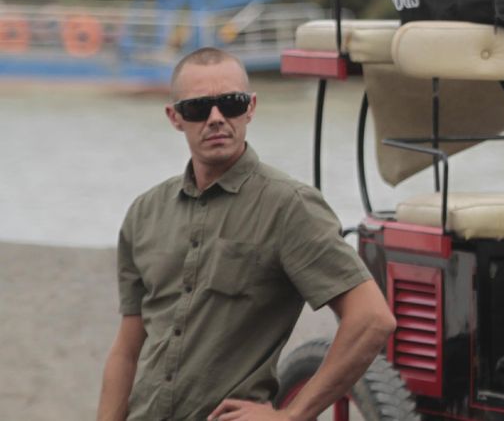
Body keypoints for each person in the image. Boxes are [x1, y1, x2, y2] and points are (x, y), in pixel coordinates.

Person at [97, 47, 396, 421]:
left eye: (231, 103)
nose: (216, 118)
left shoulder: (289, 207)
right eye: (198, 108)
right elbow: (126, 350)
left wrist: (292, 415)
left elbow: (371, 319)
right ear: (175, 117)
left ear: (251, 108)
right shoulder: (145, 212)